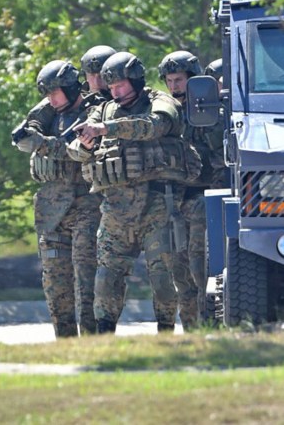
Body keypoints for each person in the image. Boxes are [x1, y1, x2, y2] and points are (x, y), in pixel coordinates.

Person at [67, 51, 201, 334]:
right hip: (115, 210)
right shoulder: (102, 110)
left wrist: (106, 128)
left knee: (163, 277)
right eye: (111, 87)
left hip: (158, 206)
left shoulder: (159, 102)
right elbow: (76, 149)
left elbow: (157, 125)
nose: (114, 92)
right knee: (106, 278)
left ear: (136, 81)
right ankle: (105, 335)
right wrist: (87, 144)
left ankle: (165, 332)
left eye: (120, 86)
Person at [12, 60, 102, 337]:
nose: (50, 98)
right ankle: (64, 341)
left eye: (54, 92)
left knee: (87, 280)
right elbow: (28, 129)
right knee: (55, 282)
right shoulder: (49, 113)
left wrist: (41, 144)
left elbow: (79, 150)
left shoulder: (93, 113)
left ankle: (92, 342)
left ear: (70, 87)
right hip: (51, 212)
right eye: (47, 93)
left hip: (86, 205)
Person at [158, 52, 227, 329]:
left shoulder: (213, 113)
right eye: (170, 81)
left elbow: (220, 154)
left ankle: (210, 329)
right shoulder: (165, 113)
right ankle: (191, 332)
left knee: (202, 271)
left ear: (194, 80)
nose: (174, 87)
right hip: (174, 203)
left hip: (204, 199)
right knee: (180, 274)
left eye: (179, 80)